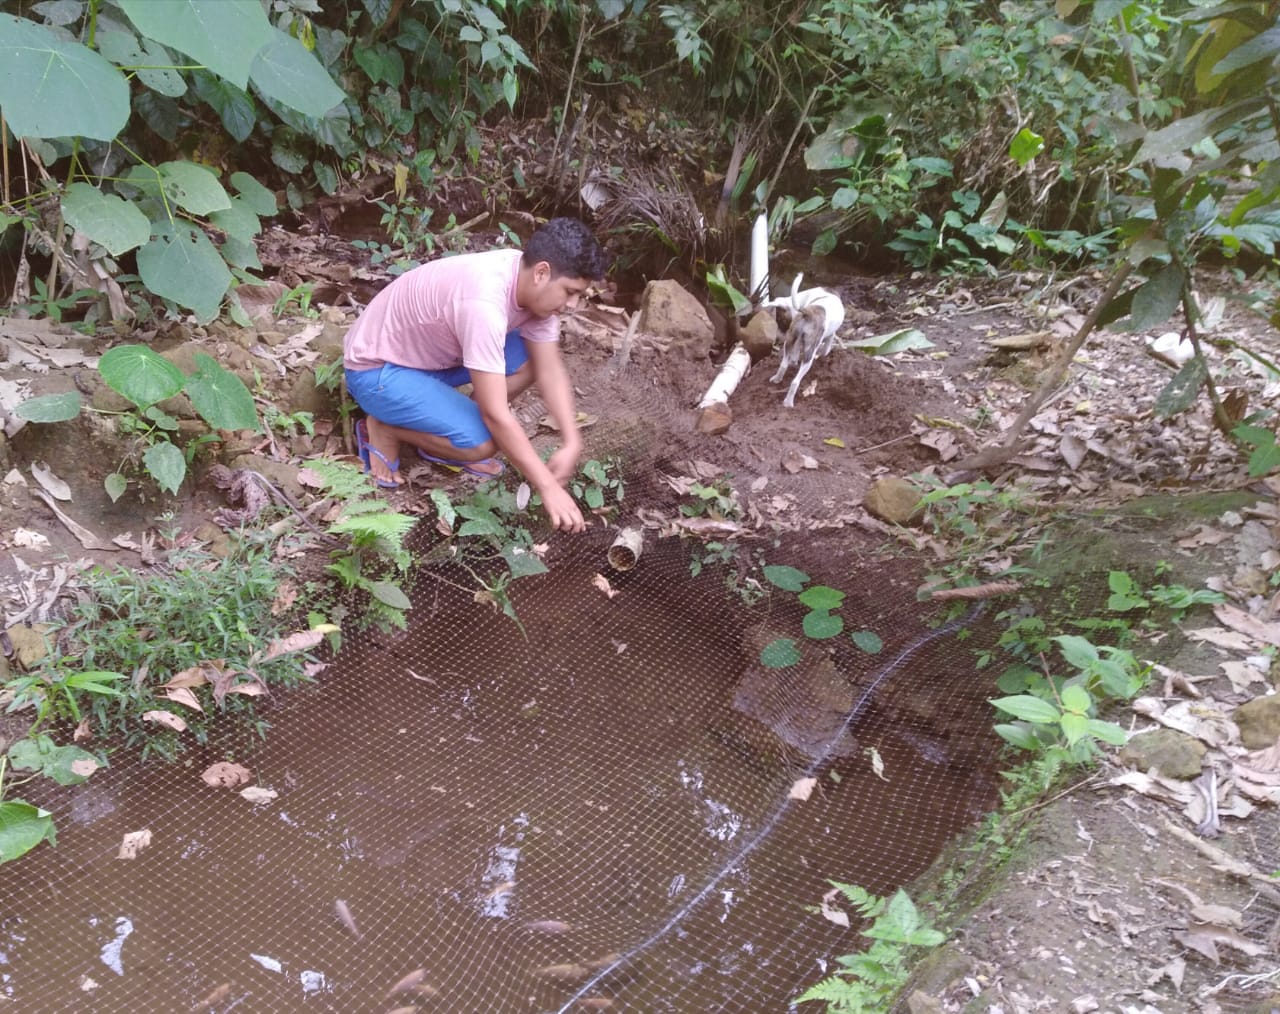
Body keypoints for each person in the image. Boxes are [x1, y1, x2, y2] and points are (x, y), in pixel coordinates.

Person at [343, 217, 610, 533]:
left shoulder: (529, 285)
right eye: (570, 292)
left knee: (534, 359)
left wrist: (572, 441)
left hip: (427, 359)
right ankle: (385, 428)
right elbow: (496, 416)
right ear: (542, 272)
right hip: (377, 370)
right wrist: (547, 486)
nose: (573, 304)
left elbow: (550, 369)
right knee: (483, 442)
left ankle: (447, 429)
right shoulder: (484, 301)